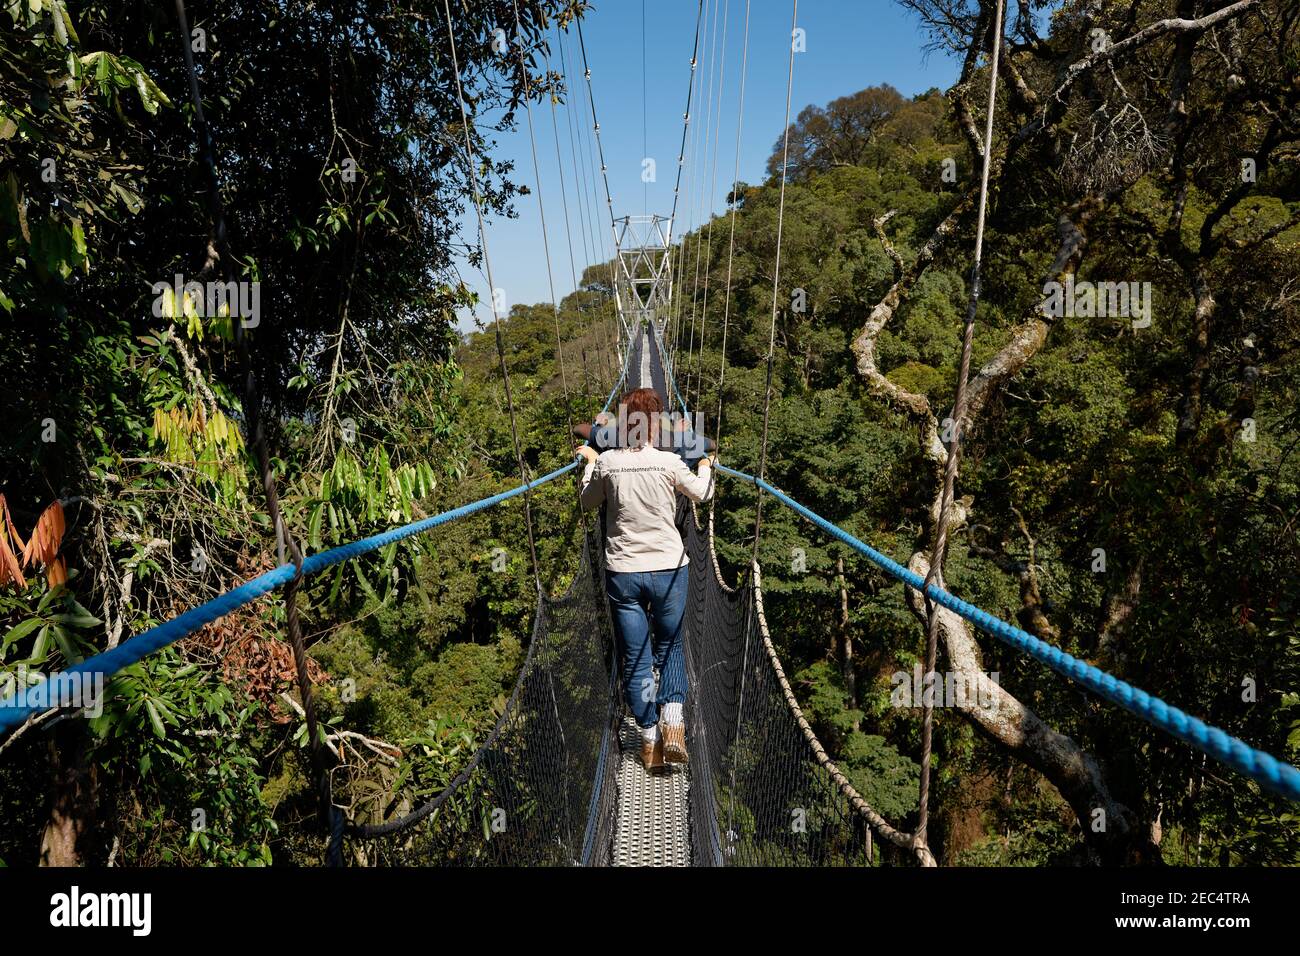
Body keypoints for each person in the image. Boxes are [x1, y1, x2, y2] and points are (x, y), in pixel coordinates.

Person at [577, 387, 715, 772]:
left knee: (636, 657)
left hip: (623, 573)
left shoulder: (608, 464)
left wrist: (589, 461)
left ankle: (650, 741)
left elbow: (587, 502)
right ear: (657, 427)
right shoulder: (670, 463)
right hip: (670, 569)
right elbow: (702, 493)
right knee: (670, 644)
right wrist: (704, 463)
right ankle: (674, 723)